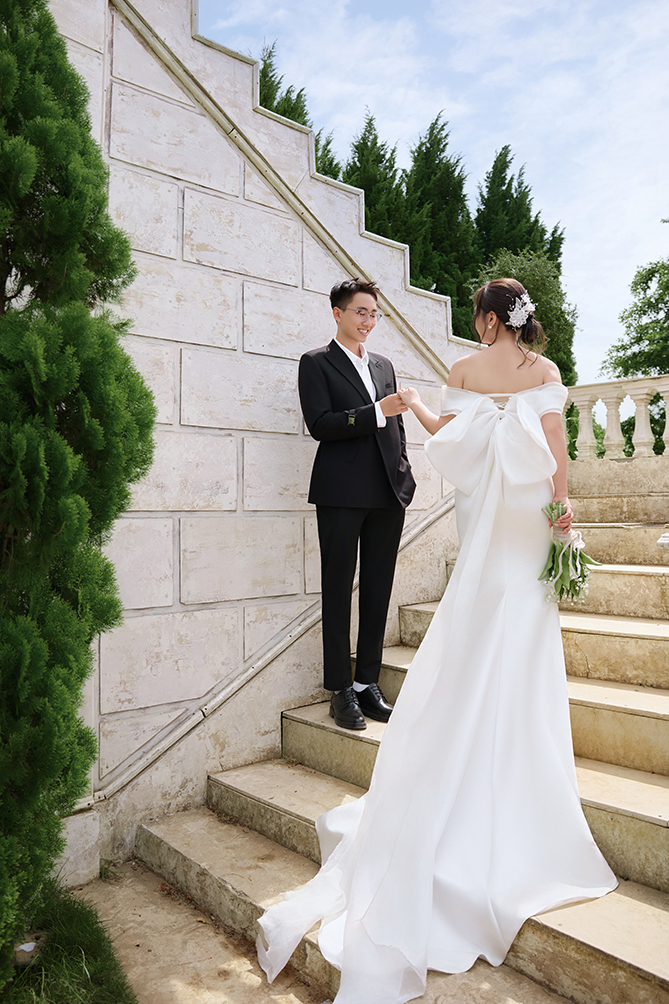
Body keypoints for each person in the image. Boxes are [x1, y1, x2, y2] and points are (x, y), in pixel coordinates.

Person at [257, 278, 617, 1004]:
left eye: (479, 315)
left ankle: (452, 727)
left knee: (477, 619)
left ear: (486, 320)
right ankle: (513, 746)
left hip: (485, 515)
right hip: (529, 513)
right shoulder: (545, 371)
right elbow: (555, 448)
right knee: (523, 624)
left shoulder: (463, 370)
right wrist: (562, 510)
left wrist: (418, 405)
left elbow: (446, 443)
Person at [298, 278, 416, 731]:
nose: (368, 321)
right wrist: (376, 411)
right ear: (338, 313)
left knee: (378, 590)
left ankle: (367, 683)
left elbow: (397, 426)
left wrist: (403, 470)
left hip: (388, 493)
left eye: (373, 314)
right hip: (341, 493)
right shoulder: (316, 363)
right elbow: (321, 424)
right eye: (360, 312)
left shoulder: (384, 365)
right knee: (337, 590)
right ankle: (340, 690)